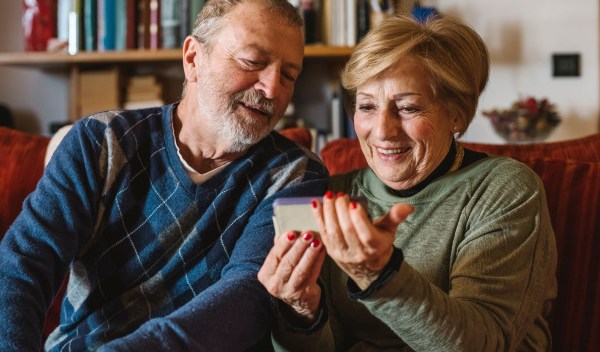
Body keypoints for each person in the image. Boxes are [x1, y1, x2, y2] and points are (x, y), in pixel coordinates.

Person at [0, 1, 329, 351]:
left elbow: (249, 295)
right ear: (193, 59)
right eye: (253, 62)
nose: (273, 89)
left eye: (289, 75)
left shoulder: (298, 176)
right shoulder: (100, 142)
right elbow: (22, 266)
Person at [259, 14, 557, 351]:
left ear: (456, 113)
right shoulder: (336, 194)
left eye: (408, 107)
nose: (383, 130)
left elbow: (484, 342)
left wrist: (380, 276)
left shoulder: (502, 189)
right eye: (367, 106)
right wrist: (302, 313)